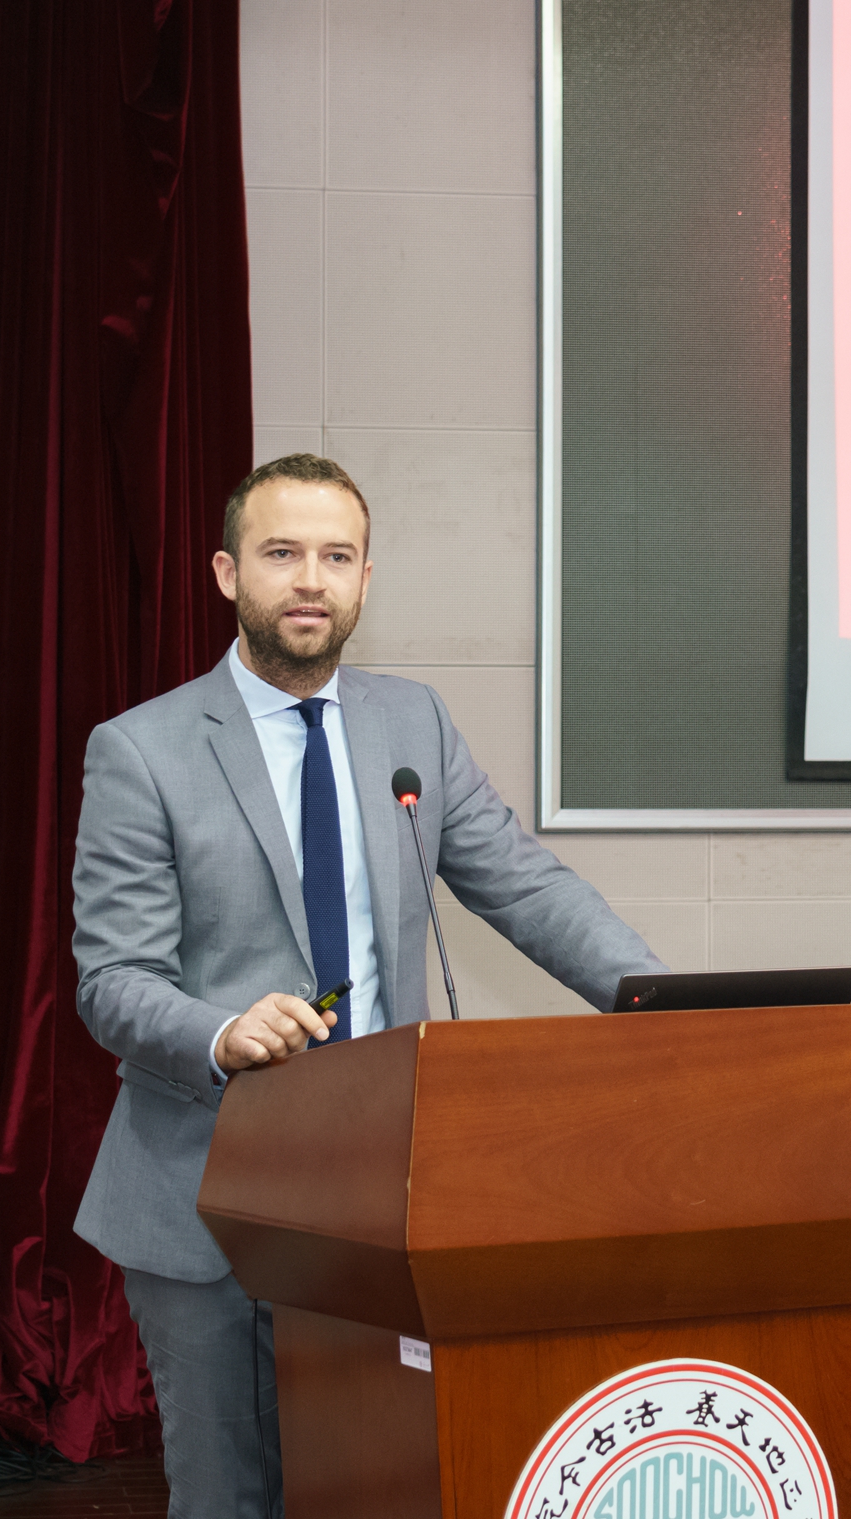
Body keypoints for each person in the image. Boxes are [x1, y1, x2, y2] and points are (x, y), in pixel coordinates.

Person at [70, 453, 664, 1519]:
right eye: (282, 552)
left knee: (379, 1483)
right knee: (231, 1499)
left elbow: (526, 885)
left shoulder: (412, 724)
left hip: (385, 1200)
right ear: (227, 573)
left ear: (365, 578)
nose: (311, 579)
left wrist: (659, 1000)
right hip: (212, 1188)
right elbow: (112, 979)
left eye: (336, 556)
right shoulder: (143, 750)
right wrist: (220, 1030)